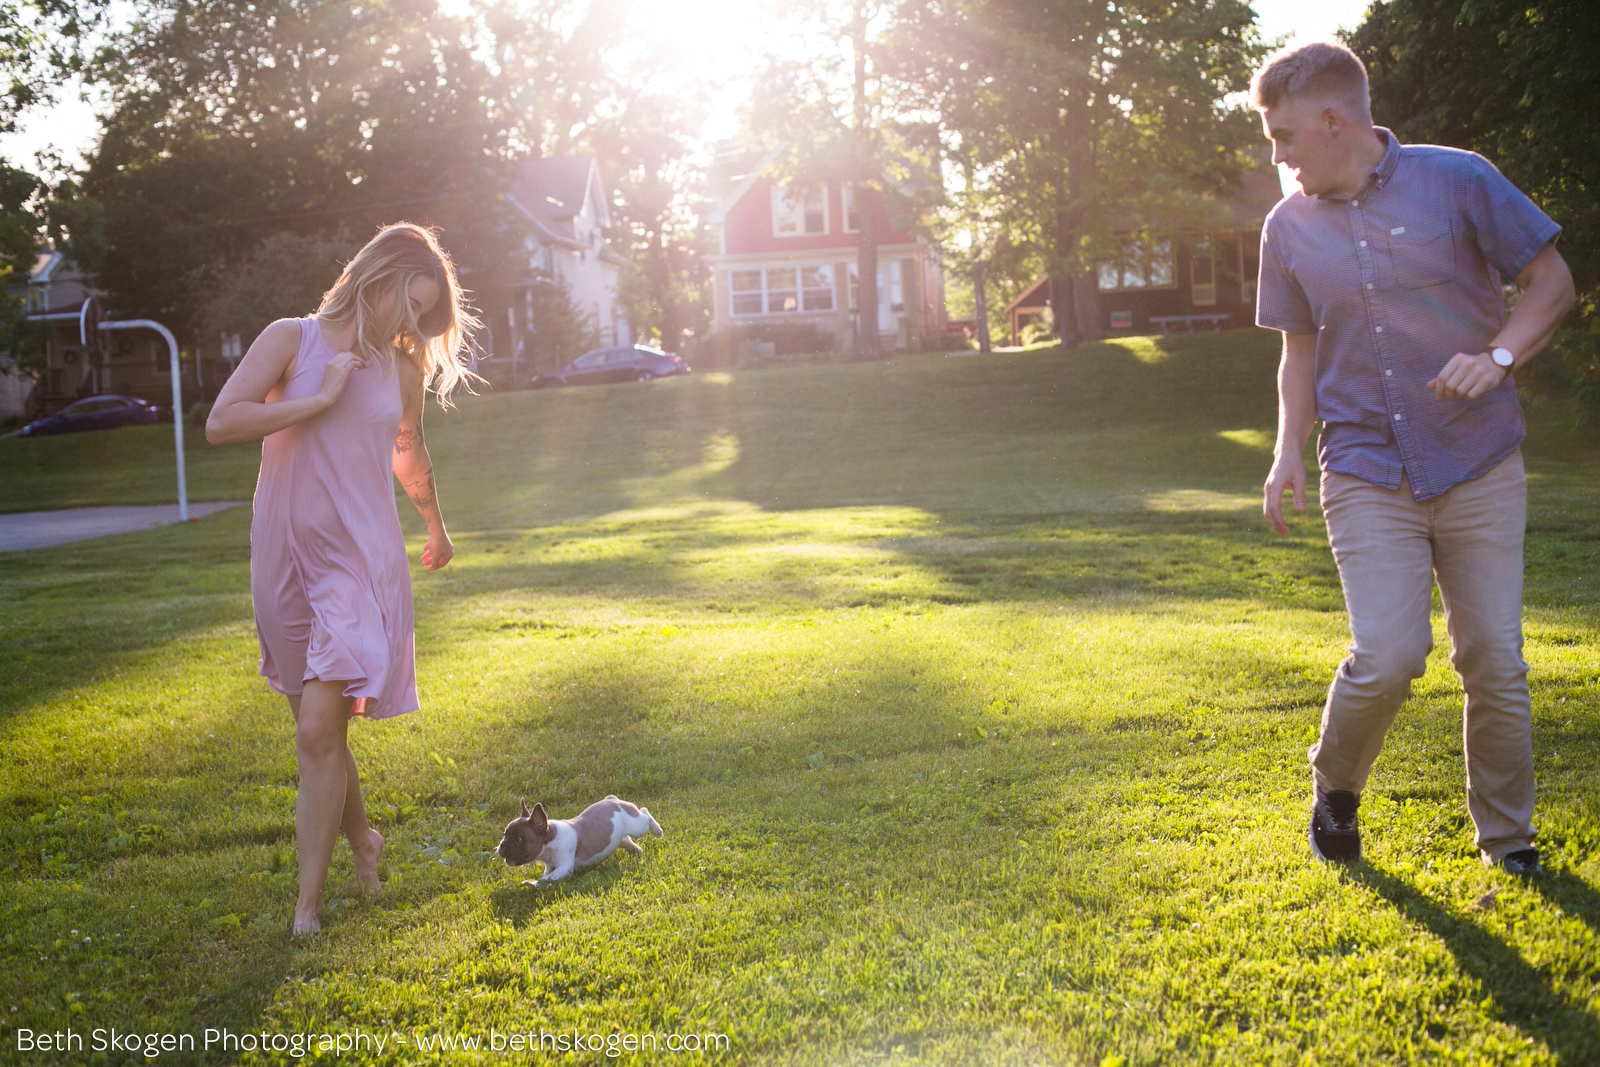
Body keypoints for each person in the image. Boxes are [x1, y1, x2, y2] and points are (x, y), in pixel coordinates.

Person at [1252, 42, 1576, 873]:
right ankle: (1336, 783)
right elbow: (1297, 350)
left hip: (1478, 460)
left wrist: (1498, 357)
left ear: (1334, 120)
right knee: (1391, 653)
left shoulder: (1460, 179)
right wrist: (1288, 450)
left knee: (1493, 658)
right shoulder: (1286, 227)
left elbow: (1550, 282)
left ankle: (1508, 841)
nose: (1276, 154)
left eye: (1283, 133)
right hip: (1362, 467)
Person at [206, 223, 478, 934]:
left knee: (319, 728)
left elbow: (409, 452)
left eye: (423, 314)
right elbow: (221, 422)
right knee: (316, 730)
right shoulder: (291, 340)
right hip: (284, 555)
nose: (410, 323)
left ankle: (307, 908)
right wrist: (314, 401)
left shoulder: (402, 368)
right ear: (374, 276)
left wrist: (436, 526)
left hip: (362, 560)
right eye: (408, 303)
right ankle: (363, 838)